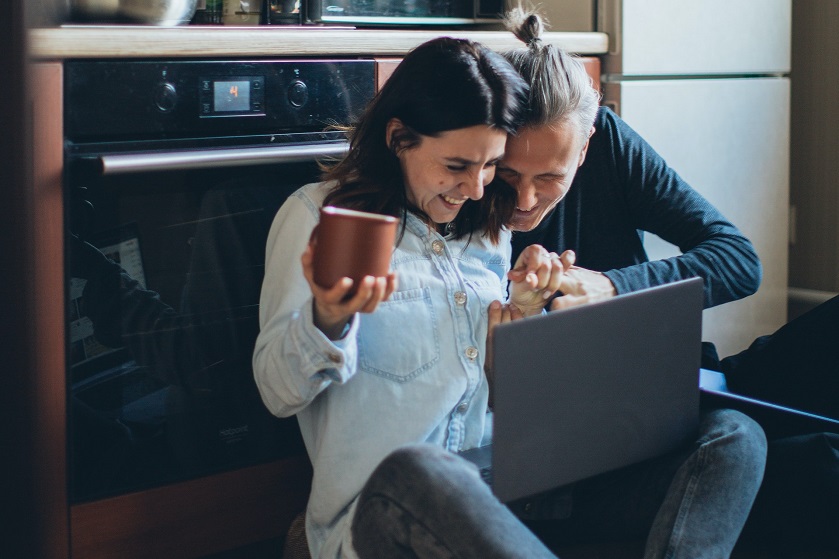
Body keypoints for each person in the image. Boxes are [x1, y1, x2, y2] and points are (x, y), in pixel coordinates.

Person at [253, 34, 767, 559]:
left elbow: (477, 406)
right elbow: (277, 392)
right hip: (393, 509)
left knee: (734, 436)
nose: (479, 189)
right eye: (457, 166)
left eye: (489, 166)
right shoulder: (325, 219)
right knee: (421, 471)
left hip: (507, 494)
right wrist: (327, 320)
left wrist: (517, 348)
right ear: (399, 139)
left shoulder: (487, 231)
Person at [494, 7, 838, 554]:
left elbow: (737, 258)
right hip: (610, 432)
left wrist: (610, 288)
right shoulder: (464, 181)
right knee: (819, 460)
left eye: (550, 178)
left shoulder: (607, 142)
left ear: (584, 149)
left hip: (689, 384)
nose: (525, 200)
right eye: (507, 175)